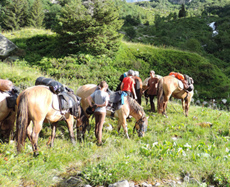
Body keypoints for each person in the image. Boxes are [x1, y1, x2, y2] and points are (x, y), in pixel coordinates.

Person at [87, 81, 110, 145]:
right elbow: (105, 104)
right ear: (105, 86)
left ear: (99, 85)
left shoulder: (96, 92)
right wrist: (98, 105)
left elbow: (88, 98)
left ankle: (96, 138)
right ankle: (99, 142)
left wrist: (92, 105)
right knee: (100, 127)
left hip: (96, 111)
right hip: (102, 111)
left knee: (96, 125)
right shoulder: (106, 94)